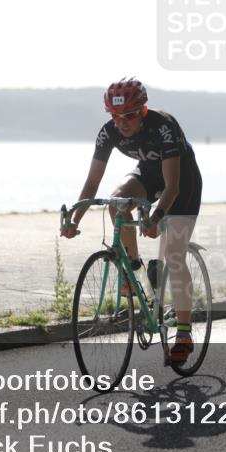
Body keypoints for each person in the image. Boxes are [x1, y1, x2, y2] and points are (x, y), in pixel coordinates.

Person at [61, 77, 202, 363]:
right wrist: (75, 220)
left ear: (143, 111)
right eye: (115, 116)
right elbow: (91, 184)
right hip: (149, 174)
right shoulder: (108, 132)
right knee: (117, 203)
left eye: (129, 116)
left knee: (173, 255)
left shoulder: (163, 125)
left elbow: (171, 187)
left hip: (182, 182)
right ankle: (134, 269)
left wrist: (157, 217)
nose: (122, 123)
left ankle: (184, 331)